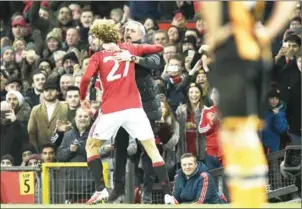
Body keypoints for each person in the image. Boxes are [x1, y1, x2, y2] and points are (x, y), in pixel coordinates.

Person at [200, 1, 298, 207]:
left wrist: (215, 32)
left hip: (236, 53)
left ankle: (250, 201)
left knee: (239, 133)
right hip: (251, 52)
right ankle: (249, 199)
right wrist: (268, 32)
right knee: (239, 133)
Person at [79, 19, 171, 204]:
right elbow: (159, 47)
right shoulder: (129, 48)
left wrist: (83, 99)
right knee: (151, 150)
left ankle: (101, 189)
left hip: (113, 109)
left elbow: (85, 79)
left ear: (98, 36)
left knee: (91, 147)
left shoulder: (98, 56)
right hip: (135, 109)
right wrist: (132, 56)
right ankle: (168, 194)